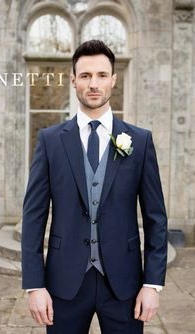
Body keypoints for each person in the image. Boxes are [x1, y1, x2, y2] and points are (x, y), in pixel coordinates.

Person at [21, 40, 167, 334]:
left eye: (101, 75)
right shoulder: (50, 141)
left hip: (125, 285)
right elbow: (33, 217)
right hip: (64, 284)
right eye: (85, 76)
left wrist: (152, 284)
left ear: (114, 79)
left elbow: (156, 218)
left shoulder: (139, 141)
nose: (93, 84)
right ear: (73, 80)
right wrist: (34, 285)